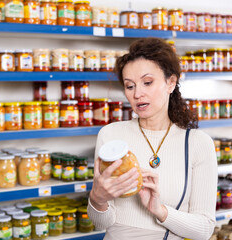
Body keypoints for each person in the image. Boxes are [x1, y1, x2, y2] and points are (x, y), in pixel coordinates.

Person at [88, 38, 217, 240]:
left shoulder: (198, 143)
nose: (138, 93)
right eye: (130, 86)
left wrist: (159, 210)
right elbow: (101, 223)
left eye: (147, 83)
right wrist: (97, 198)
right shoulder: (111, 136)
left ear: (171, 82)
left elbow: (204, 229)